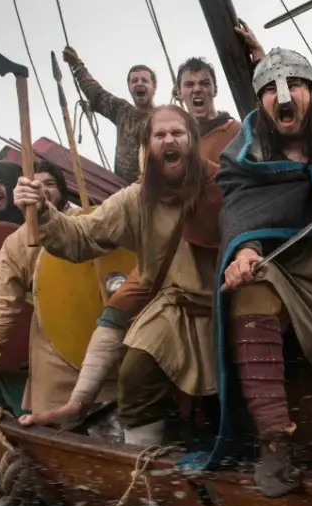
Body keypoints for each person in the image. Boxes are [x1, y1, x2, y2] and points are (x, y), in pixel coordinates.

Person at [13, 105, 223, 446]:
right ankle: (142, 473)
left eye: (177, 133)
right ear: (148, 146)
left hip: (229, 304)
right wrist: (43, 212)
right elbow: (82, 237)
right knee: (136, 374)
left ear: (192, 140)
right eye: (159, 134)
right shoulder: (136, 199)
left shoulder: (225, 184)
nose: (169, 139)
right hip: (172, 310)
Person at [211, 47, 312, 497]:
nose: (284, 95)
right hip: (276, 270)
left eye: (295, 85)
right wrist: (244, 254)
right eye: (271, 90)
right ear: (260, 101)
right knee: (250, 291)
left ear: (311, 93)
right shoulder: (244, 155)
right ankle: (274, 440)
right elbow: (242, 216)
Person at [0, 161, 113, 417]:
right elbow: (2, 301)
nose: (43, 191)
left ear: (62, 188)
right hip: (54, 347)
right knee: (58, 423)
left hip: (109, 335)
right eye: (35, 185)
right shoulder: (17, 243)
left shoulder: (95, 221)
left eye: (49, 184)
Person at [63, 46, 157, 184]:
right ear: (129, 86)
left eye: (144, 80)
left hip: (156, 190)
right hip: (123, 191)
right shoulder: (122, 111)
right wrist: (77, 67)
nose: (139, 84)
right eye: (134, 81)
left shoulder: (165, 118)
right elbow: (96, 93)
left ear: (154, 85)